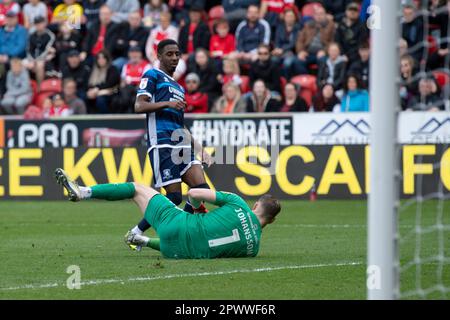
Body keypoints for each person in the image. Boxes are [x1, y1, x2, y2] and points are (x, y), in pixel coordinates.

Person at [55, 168, 281, 258]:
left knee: (137, 189)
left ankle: (83, 192)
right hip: (178, 252)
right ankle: (140, 238)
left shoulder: (239, 204)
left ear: (255, 206)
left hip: (178, 224)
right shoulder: (253, 249)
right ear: (269, 221)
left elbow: (194, 192)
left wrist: (194, 207)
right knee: (189, 241)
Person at [133, 39, 213, 249]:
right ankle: (137, 232)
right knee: (175, 196)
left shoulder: (179, 87)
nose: (175, 58)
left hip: (181, 143)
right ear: (158, 55)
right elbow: (139, 106)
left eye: (177, 54)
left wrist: (200, 149)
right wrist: (167, 103)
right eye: (169, 54)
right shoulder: (152, 75)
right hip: (162, 142)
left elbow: (181, 124)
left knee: (201, 189)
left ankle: (180, 231)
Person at [293, 5, 335, 75]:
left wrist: (324, 51)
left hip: (322, 53)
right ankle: (306, 80)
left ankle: (319, 81)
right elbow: (300, 40)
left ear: (325, 15)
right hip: (308, 53)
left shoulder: (331, 26)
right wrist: (301, 51)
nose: (319, 16)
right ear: (314, 16)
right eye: (317, 14)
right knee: (297, 61)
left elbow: (332, 42)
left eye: (321, 14)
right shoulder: (308, 25)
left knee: (323, 60)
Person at [24, 16, 55, 88]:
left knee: (39, 65)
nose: (39, 25)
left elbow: (47, 50)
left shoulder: (50, 35)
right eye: (37, 24)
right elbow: (29, 49)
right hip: (32, 58)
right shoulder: (31, 35)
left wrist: (36, 61)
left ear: (44, 23)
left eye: (40, 23)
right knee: (21, 64)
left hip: (44, 58)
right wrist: (31, 60)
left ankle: (39, 87)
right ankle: (25, 87)